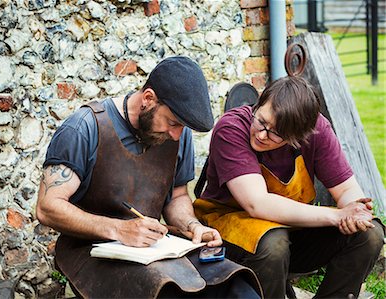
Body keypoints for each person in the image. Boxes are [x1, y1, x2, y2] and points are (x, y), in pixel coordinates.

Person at [36, 56, 261, 298]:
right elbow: (48, 207)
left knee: (237, 288)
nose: (177, 135)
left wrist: (192, 226)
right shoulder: (84, 127)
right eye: (172, 123)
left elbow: (177, 196)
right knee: (166, 293)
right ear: (148, 99)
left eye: (182, 127)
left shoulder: (178, 134)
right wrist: (120, 230)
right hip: (91, 251)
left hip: (153, 249)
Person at [193, 76, 385, 298]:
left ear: (299, 135)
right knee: (274, 244)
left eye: (276, 133)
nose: (262, 135)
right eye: (261, 121)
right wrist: (336, 216)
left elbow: (346, 190)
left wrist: (355, 213)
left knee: (369, 235)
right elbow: (257, 203)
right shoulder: (232, 128)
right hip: (228, 231)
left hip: (291, 229)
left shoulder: (317, 129)